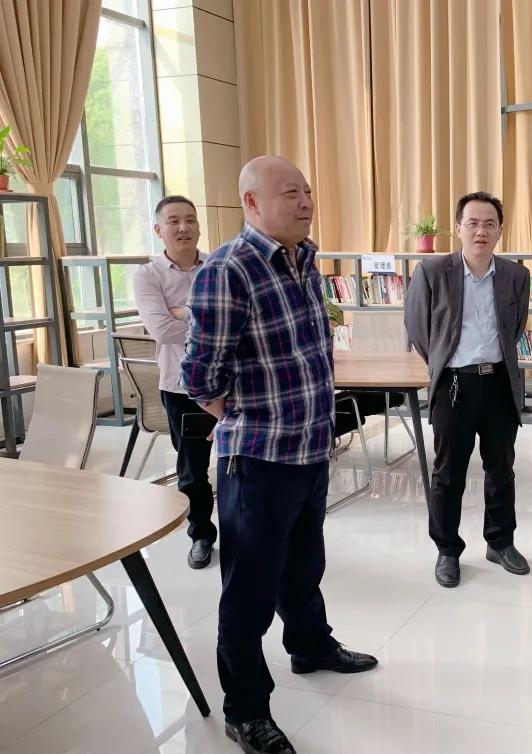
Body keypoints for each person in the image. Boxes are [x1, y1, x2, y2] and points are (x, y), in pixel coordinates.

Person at [181, 155, 377, 754]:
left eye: (307, 191)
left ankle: (310, 645)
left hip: (310, 449)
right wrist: (245, 420)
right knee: (249, 592)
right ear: (251, 202)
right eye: (290, 192)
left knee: (303, 565)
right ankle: (245, 710)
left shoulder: (304, 259)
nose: (305, 201)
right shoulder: (228, 270)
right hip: (258, 461)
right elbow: (199, 375)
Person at [404, 191, 531, 588]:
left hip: (499, 383)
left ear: (500, 231)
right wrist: (446, 361)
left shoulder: (516, 276)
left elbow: (515, 329)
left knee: (501, 469)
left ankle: (500, 542)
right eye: (472, 223)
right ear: (458, 227)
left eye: (489, 224)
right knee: (448, 473)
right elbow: (418, 329)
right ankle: (447, 550)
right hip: (454, 385)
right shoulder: (432, 272)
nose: (481, 231)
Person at [132, 195, 216, 569]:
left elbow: (242, 322)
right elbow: (163, 331)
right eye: (174, 221)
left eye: (191, 220)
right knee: (193, 472)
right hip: (182, 388)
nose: (184, 228)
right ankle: (201, 535)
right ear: (158, 230)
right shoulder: (148, 275)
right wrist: (209, 317)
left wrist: (183, 311)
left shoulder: (218, 267)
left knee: (245, 464)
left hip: (233, 383)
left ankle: (248, 533)